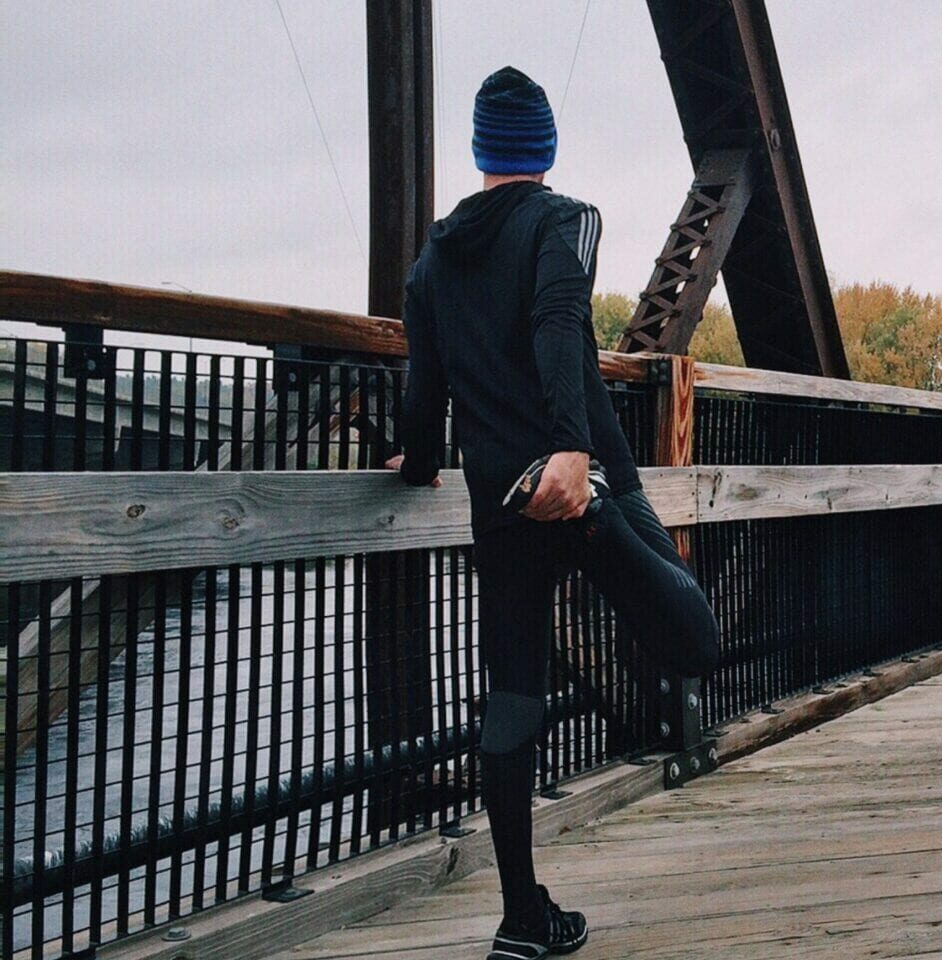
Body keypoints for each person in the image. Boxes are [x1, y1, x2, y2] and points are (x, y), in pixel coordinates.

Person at [385, 66, 720, 960]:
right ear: (544, 147)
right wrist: (576, 458)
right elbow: (555, 317)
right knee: (694, 643)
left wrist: (415, 461)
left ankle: (521, 918)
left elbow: (425, 386)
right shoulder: (566, 221)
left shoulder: (430, 261)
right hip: (583, 482)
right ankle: (602, 521)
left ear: (479, 151)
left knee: (513, 697)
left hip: (500, 502)